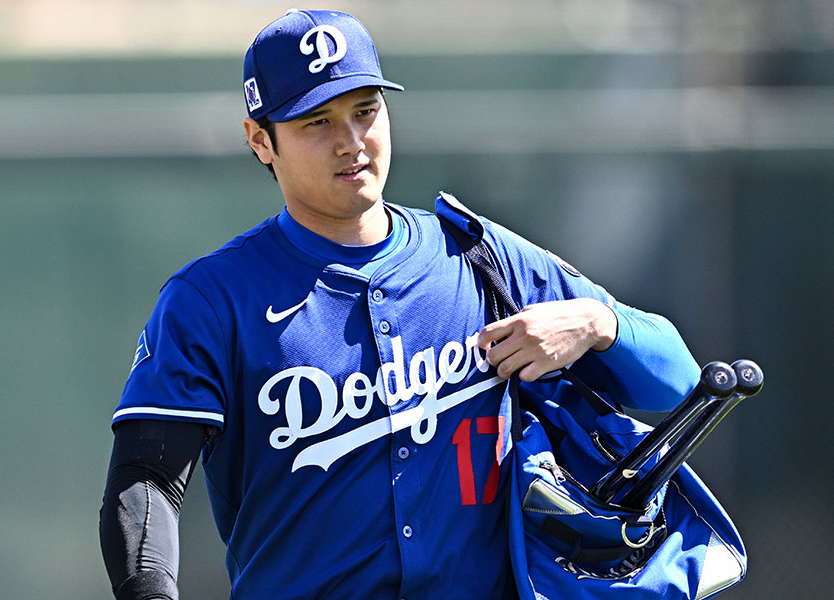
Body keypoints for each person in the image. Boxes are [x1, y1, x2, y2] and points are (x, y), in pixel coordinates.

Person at [99, 9, 700, 600]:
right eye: (316, 122)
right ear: (261, 140)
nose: (351, 142)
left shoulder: (478, 256)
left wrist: (600, 324)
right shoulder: (213, 298)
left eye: (365, 111)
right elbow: (145, 483)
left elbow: (679, 385)